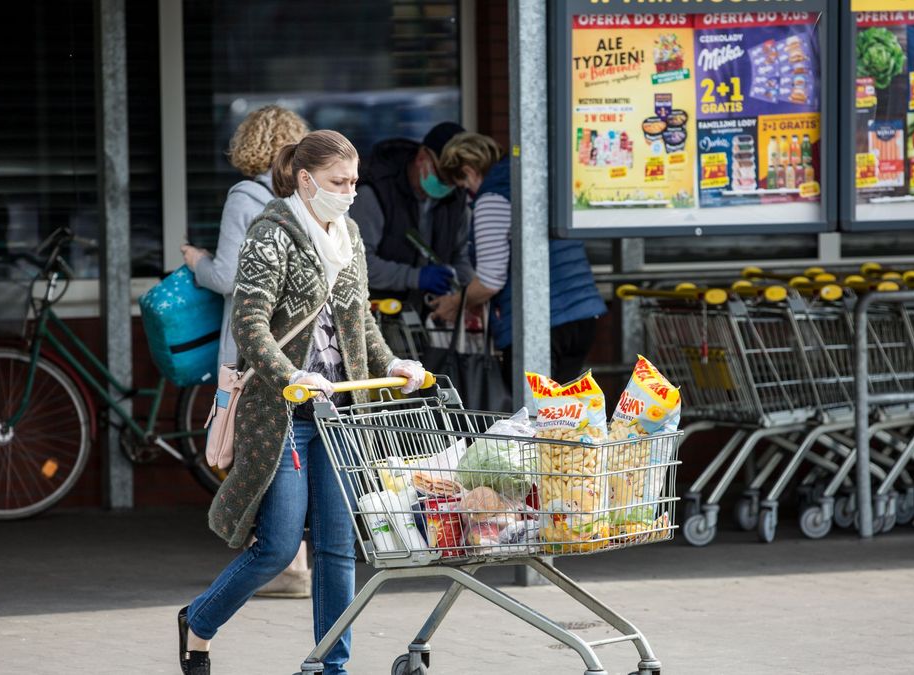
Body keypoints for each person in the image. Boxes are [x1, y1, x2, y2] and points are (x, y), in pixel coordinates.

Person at [177, 130, 426, 675]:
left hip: (338, 413)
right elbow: (249, 324)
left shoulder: (351, 235)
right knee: (278, 545)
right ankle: (199, 622)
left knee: (338, 549)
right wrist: (291, 374)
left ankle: (330, 667)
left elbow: (359, 322)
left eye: (355, 182)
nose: (350, 192)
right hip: (282, 411)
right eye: (339, 182)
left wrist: (395, 365)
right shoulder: (272, 234)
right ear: (307, 180)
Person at [179, 105, 314, 600]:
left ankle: (284, 562)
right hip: (298, 342)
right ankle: (293, 558)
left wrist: (197, 261)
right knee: (288, 447)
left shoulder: (245, 195)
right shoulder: (305, 194)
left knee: (250, 446)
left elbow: (231, 276)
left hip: (251, 343)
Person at [434, 132, 606, 385]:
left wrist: (454, 303)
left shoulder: (493, 198)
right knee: (561, 414)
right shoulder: (535, 181)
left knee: (533, 414)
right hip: (583, 315)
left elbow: (490, 280)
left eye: (462, 185)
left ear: (469, 171)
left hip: (543, 323)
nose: (466, 193)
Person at [349, 122, 474, 309]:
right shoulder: (376, 193)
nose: (447, 187)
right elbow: (359, 264)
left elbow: (463, 256)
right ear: (422, 157)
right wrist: (414, 277)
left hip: (433, 315)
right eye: (442, 178)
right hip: (383, 313)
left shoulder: (456, 201)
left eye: (453, 182)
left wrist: (458, 281)